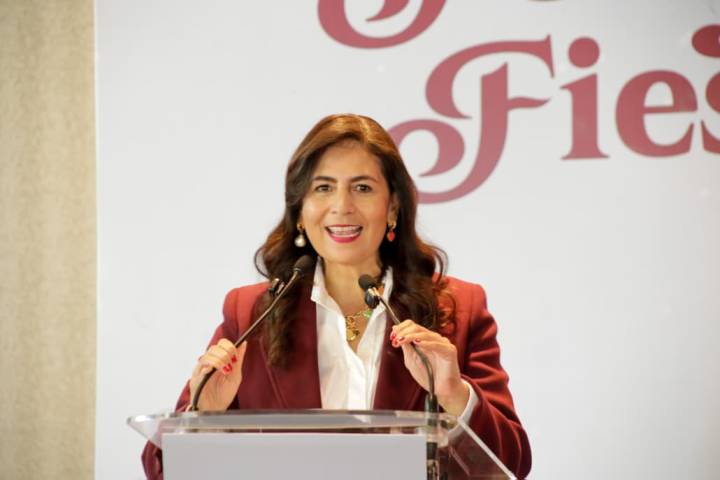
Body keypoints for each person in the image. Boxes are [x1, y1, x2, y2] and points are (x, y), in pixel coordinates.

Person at [141, 113, 531, 479]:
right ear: (299, 211)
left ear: (393, 207)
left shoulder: (458, 309)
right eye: (323, 188)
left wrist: (455, 395)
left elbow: (512, 464)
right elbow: (159, 470)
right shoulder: (250, 313)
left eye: (362, 188)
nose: (342, 207)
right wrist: (201, 417)